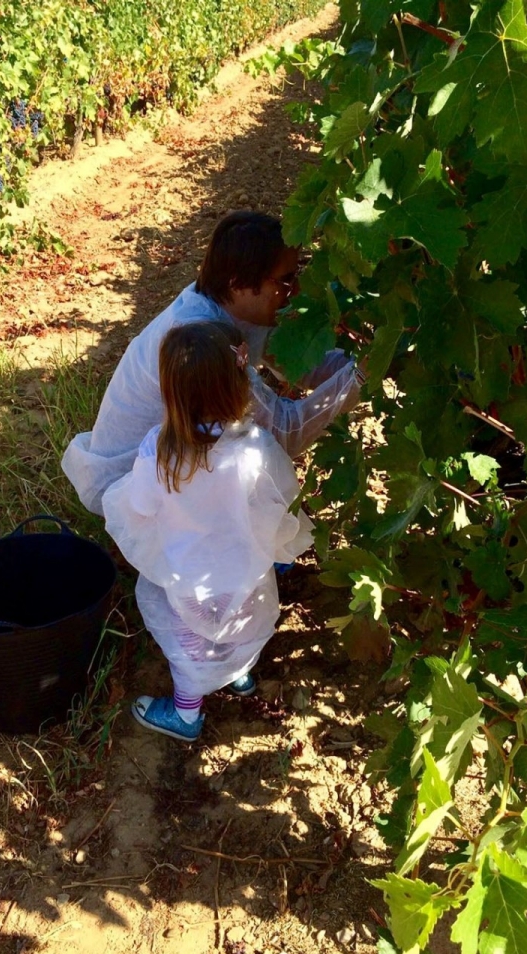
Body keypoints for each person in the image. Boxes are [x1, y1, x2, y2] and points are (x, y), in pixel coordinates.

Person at [62, 210, 365, 516]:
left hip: (171, 467)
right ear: (238, 283)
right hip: (138, 488)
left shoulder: (235, 305)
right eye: (285, 281)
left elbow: (299, 364)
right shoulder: (204, 341)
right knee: (254, 460)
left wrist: (367, 359)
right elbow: (285, 432)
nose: (295, 290)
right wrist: (361, 378)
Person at [102, 322, 314, 742]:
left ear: (170, 392)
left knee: (191, 647)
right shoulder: (254, 446)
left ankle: (186, 715)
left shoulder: (159, 452)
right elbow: (277, 501)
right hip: (246, 577)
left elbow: (140, 505)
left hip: (190, 581)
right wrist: (281, 548)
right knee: (240, 626)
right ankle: (240, 675)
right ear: (239, 383)